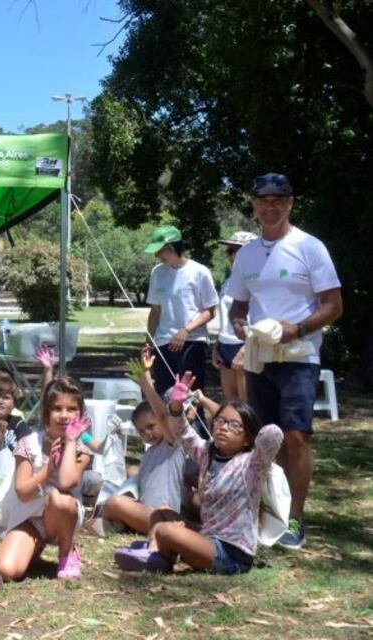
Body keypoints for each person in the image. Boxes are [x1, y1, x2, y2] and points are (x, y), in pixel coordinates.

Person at [228, 172, 342, 551]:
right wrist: (239, 322)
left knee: (295, 436)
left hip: (299, 356)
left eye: (279, 199)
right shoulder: (246, 255)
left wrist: (299, 329)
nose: (270, 206)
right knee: (262, 440)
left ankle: (296, 519)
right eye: (263, 199)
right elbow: (239, 303)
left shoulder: (310, 247)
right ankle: (263, 514)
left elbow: (333, 306)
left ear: (291, 203)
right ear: (254, 204)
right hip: (261, 358)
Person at [114, 374, 283, 575]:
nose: (223, 428)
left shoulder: (252, 464)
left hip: (231, 552)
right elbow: (183, 433)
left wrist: (257, 427)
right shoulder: (207, 453)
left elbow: (272, 436)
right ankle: (159, 554)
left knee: (167, 530)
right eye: (220, 421)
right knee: (161, 512)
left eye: (234, 425)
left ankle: (157, 553)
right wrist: (176, 405)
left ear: (248, 438)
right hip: (207, 537)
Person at [0, 377, 93, 582]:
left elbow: (66, 482)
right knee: (6, 570)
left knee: (59, 497)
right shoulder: (29, 444)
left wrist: (71, 441)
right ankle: (34, 545)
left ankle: (67, 553)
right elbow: (22, 492)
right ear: (46, 413)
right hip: (30, 517)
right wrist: (47, 471)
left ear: (80, 413)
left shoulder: (82, 451)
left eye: (71, 409)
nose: (64, 415)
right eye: (57, 408)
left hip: (64, 515)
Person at [86, 349, 186, 536]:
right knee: (129, 477)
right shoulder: (150, 453)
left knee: (114, 502)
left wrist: (146, 381)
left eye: (151, 426)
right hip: (146, 512)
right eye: (141, 431)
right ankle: (116, 522)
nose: (147, 433)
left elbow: (163, 416)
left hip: (164, 519)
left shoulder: (172, 445)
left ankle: (112, 522)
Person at [144, 224, 218, 401]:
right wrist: (149, 341)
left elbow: (210, 310)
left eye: (160, 251)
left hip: (192, 342)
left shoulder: (200, 272)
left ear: (172, 248)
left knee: (189, 395)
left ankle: (196, 427)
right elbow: (155, 310)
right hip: (163, 342)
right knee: (164, 394)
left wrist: (186, 330)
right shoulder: (157, 273)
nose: (157, 256)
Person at [213, 231, 257, 401]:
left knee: (248, 405)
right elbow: (225, 316)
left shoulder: (256, 281)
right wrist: (217, 345)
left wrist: (246, 349)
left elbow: (259, 319)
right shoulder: (228, 281)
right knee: (232, 403)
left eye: (234, 251)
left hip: (245, 344)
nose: (230, 256)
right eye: (229, 251)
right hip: (226, 345)